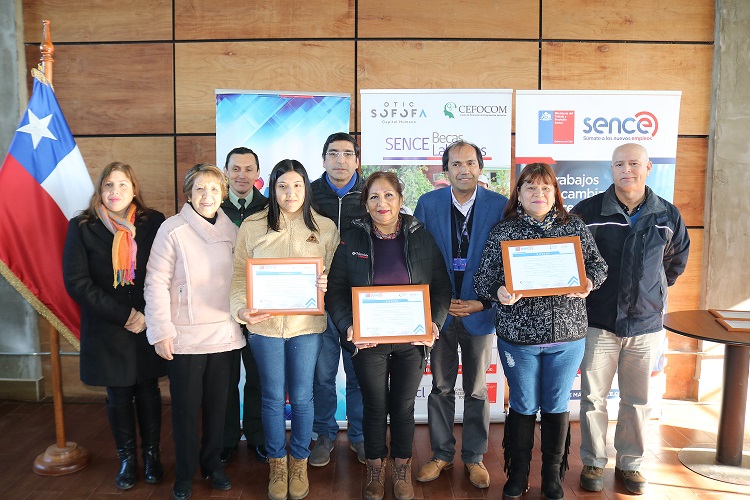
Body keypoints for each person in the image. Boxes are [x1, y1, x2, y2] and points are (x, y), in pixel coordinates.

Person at [475, 162, 608, 500]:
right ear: (518, 194)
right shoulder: (504, 231)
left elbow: (598, 266)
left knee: (556, 404)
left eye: (546, 188)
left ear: (555, 194)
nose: (539, 193)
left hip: (567, 336)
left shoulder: (573, 226)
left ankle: (552, 476)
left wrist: (589, 282)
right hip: (518, 339)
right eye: (531, 187)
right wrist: (499, 291)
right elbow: (483, 278)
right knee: (523, 404)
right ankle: (517, 475)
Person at [326, 171, 452, 500]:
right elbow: (336, 292)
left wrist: (434, 323)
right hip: (368, 341)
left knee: (404, 407)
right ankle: (375, 468)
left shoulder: (421, 236)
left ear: (400, 199)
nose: (382, 203)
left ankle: (401, 467)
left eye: (388, 195)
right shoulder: (351, 239)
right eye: (374, 197)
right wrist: (349, 326)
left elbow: (441, 287)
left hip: (412, 341)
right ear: (365, 204)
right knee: (374, 406)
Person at [572, 143, 689, 496]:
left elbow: (674, 263)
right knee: (593, 399)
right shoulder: (588, 211)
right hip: (598, 322)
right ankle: (593, 461)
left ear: (648, 167)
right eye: (620, 164)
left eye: (634, 163)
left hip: (645, 324)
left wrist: (651, 291)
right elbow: (572, 260)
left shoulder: (667, 215)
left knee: (637, 401)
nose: (627, 170)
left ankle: (630, 464)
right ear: (611, 169)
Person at [230, 159, 339, 500]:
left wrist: (326, 283)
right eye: (282, 186)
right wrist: (240, 310)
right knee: (273, 398)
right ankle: (278, 462)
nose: (290, 193)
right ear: (272, 188)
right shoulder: (252, 225)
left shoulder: (325, 227)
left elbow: (335, 276)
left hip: (307, 327)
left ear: (306, 188)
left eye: (296, 186)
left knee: (303, 397)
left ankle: (299, 461)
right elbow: (238, 276)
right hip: (264, 328)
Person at [63, 162, 167, 490]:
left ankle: (151, 455)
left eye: (122, 184)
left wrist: (146, 314)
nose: (115, 191)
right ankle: (127, 458)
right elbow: (77, 282)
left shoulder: (154, 222)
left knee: (148, 390)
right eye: (109, 185)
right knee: (118, 393)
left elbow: (168, 270)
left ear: (134, 190)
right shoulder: (82, 226)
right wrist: (125, 315)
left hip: (148, 321)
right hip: (108, 325)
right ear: (100, 190)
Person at [145, 164, 245, 500]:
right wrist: (161, 331)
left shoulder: (232, 230)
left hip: (224, 333)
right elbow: (155, 282)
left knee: (219, 408)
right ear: (188, 194)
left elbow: (244, 278)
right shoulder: (172, 229)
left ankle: (213, 465)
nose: (207, 196)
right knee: (186, 412)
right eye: (200, 189)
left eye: (214, 189)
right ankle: (184, 473)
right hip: (184, 336)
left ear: (223, 195)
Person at [413, 141, 508, 489]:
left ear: (480, 167)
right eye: (456, 164)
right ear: (446, 170)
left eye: (470, 163)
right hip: (440, 312)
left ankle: (474, 457)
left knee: (477, 389)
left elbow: (506, 261)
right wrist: (436, 302)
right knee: (440, 386)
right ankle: (441, 453)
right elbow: (417, 256)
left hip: (479, 312)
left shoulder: (500, 206)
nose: (463, 169)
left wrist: (482, 302)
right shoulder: (428, 204)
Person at [309, 132, 367, 466]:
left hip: (359, 301)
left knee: (359, 374)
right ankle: (324, 433)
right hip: (318, 299)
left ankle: (359, 435)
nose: (340, 160)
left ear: (357, 161)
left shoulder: (370, 193)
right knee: (322, 374)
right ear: (323, 159)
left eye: (347, 154)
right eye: (333, 153)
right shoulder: (309, 194)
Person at [219, 147, 269, 464]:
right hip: (219, 305)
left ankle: (257, 435)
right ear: (225, 171)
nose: (242, 175)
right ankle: (225, 438)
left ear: (257, 173)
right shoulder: (211, 206)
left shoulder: (270, 208)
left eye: (248, 169)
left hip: (259, 305)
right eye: (235, 168)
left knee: (258, 375)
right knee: (225, 377)